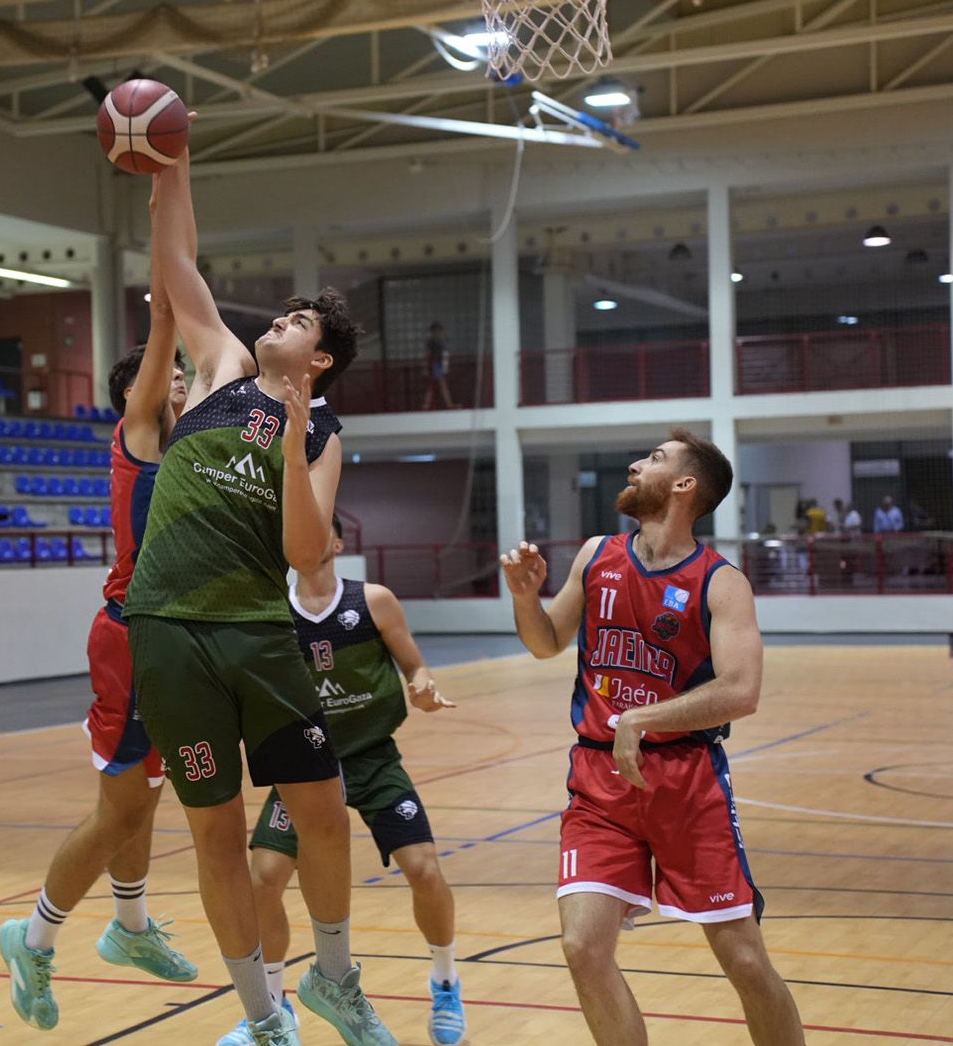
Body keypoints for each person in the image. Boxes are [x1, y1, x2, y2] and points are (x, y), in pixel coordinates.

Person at [122, 128, 389, 1046]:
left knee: (322, 809)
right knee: (214, 832)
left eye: (298, 322)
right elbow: (175, 262)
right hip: (166, 623)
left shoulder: (320, 436)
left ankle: (338, 978)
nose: (278, 319)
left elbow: (308, 556)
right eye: (279, 314)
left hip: (256, 630)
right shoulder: (223, 368)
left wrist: (292, 434)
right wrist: (173, 159)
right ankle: (264, 1017)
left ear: (317, 360)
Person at [499, 428, 805, 1046]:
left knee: (745, 962)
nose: (638, 464)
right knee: (582, 946)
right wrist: (525, 598)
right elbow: (544, 642)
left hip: (687, 785)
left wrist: (642, 718)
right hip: (598, 785)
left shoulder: (721, 582)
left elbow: (741, 691)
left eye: (656, 459)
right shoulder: (597, 555)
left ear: (685, 486)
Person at [0, 246, 196, 1031]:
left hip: (167, 638)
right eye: (166, 371)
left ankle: (132, 925)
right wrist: (167, 298)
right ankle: (34, 937)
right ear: (133, 394)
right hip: (129, 637)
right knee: (119, 811)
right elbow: (161, 354)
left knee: (144, 797)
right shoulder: (139, 430)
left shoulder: (183, 443)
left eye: (182, 371)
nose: (177, 377)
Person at [218, 515, 465, 1046]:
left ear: (335, 541)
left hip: (371, 756)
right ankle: (273, 1005)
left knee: (423, 869)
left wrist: (422, 689)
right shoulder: (273, 613)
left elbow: (415, 669)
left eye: (312, 529)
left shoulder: (374, 600)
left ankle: (445, 981)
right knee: (263, 879)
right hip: (305, 764)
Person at [420, 321, 456, 411]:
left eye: (439, 331)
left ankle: (427, 405)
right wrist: (425, 367)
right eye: (436, 331)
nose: (438, 333)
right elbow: (426, 354)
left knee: (436, 385)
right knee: (436, 385)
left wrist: (445, 366)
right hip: (434, 364)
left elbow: (445, 355)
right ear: (432, 332)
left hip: (437, 364)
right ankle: (447, 403)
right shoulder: (431, 342)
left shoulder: (440, 342)